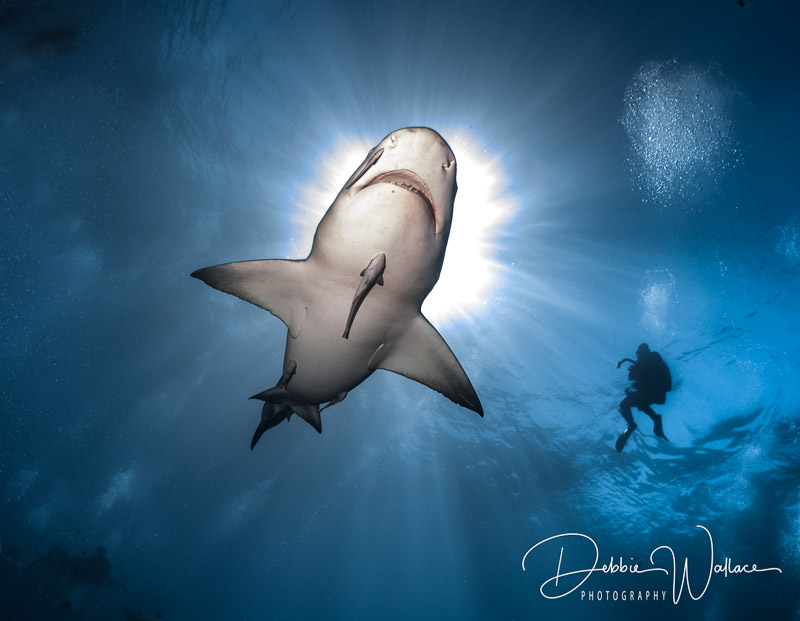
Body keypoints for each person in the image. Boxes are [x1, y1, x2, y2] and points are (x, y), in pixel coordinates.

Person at [615, 343, 671, 452]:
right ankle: (655, 418)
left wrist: (635, 369)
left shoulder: (650, 359)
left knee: (624, 404)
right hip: (656, 394)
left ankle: (631, 425)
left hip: (654, 392)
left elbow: (634, 377)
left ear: (643, 352)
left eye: (638, 353)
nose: (637, 356)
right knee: (640, 402)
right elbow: (634, 379)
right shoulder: (651, 360)